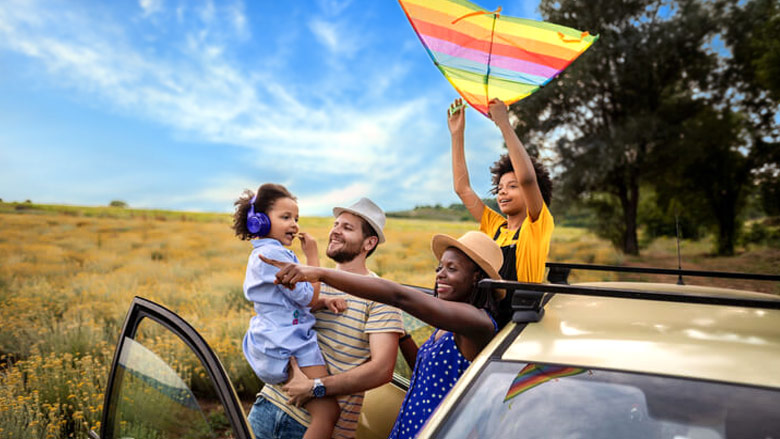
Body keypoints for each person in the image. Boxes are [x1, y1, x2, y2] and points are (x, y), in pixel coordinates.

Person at [262, 230, 504, 439]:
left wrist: (320, 273)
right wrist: (402, 336)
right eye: (439, 267)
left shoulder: (478, 324)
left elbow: (399, 296)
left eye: (452, 269)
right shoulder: (447, 325)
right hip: (410, 429)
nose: (440, 274)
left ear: (476, 278)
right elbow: (430, 371)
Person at [247, 197, 405, 439]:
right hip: (268, 405)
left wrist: (315, 388)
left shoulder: (380, 295)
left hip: (315, 428)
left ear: (369, 243)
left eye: (347, 228)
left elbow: (382, 369)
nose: (335, 232)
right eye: (336, 224)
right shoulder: (311, 281)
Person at [232, 183, 342, 439]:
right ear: (258, 220)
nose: (294, 224)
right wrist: (312, 259)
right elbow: (306, 297)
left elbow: (290, 300)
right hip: (290, 343)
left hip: (273, 338)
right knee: (328, 413)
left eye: (296, 218)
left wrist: (323, 301)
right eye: (285, 217)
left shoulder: (265, 253)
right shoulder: (274, 257)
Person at [448, 97, 554, 327]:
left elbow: (527, 178)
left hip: (519, 321)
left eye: (512, 187)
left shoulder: (537, 223)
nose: (503, 193)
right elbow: (462, 188)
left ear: (533, 192)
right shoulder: (494, 225)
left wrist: (504, 124)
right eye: (500, 188)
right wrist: (457, 134)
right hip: (489, 316)